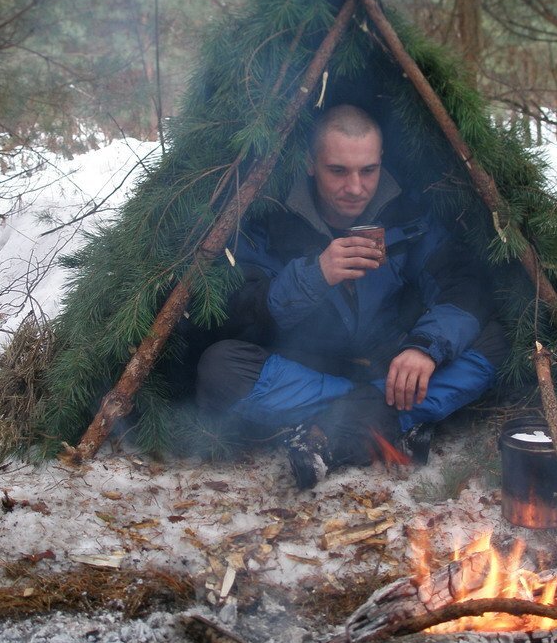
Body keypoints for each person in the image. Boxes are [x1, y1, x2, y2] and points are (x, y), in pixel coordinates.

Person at [195, 104, 508, 488]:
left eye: (368, 170)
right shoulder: (274, 217)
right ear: (311, 163)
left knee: (492, 340)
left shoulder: (406, 213)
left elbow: (462, 286)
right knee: (220, 368)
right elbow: (236, 309)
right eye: (338, 171)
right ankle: (387, 418)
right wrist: (314, 276)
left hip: (389, 362)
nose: (355, 188)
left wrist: (425, 348)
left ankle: (336, 426)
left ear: (381, 162)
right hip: (307, 368)